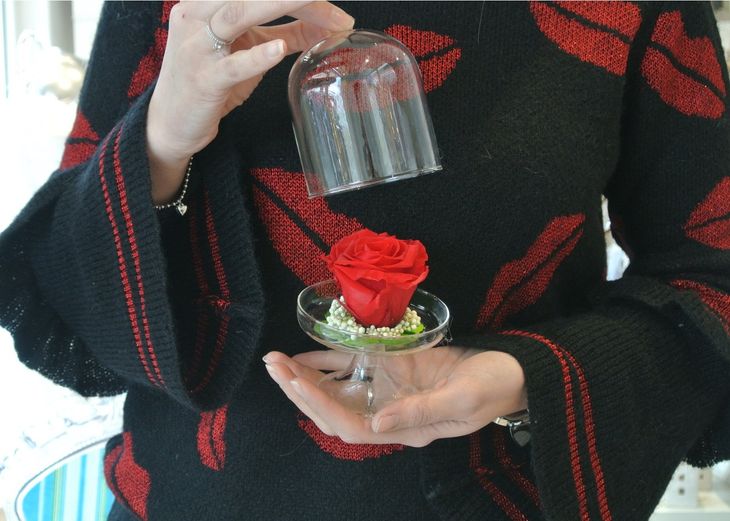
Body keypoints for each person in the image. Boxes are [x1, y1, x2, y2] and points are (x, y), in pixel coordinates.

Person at [1, 1, 729, 520]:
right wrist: (161, 142)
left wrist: (519, 378)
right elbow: (61, 320)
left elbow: (713, 284)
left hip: (499, 495)